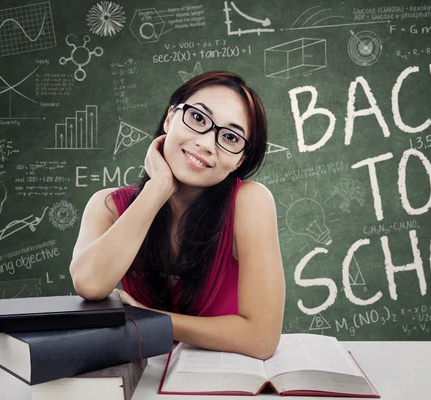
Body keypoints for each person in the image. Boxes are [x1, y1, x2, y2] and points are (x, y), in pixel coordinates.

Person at [69, 71, 285, 360]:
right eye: (198, 118)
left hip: (225, 380)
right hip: (144, 378)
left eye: (231, 137)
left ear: (239, 160)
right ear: (170, 118)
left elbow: (261, 340)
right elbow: (89, 284)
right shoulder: (107, 205)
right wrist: (157, 188)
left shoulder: (250, 202)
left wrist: (149, 318)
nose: (207, 143)